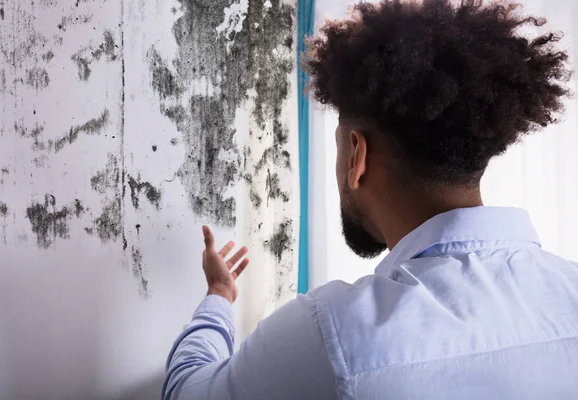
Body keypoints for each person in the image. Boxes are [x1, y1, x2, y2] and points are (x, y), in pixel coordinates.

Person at [162, 1, 577, 399]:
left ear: (356, 157)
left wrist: (218, 295)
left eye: (340, 144)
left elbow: (185, 392)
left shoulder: (332, 334)